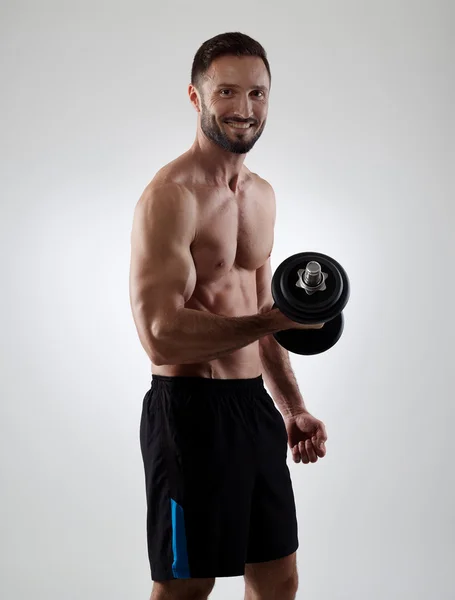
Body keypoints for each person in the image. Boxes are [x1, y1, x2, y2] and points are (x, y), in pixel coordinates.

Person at [129, 31, 328, 600]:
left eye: (258, 94)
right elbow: (160, 337)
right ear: (195, 97)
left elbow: (266, 315)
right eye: (227, 92)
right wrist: (273, 320)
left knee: (278, 577)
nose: (244, 109)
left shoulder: (262, 195)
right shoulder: (170, 197)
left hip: (253, 412)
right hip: (188, 417)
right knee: (188, 586)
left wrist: (293, 407)